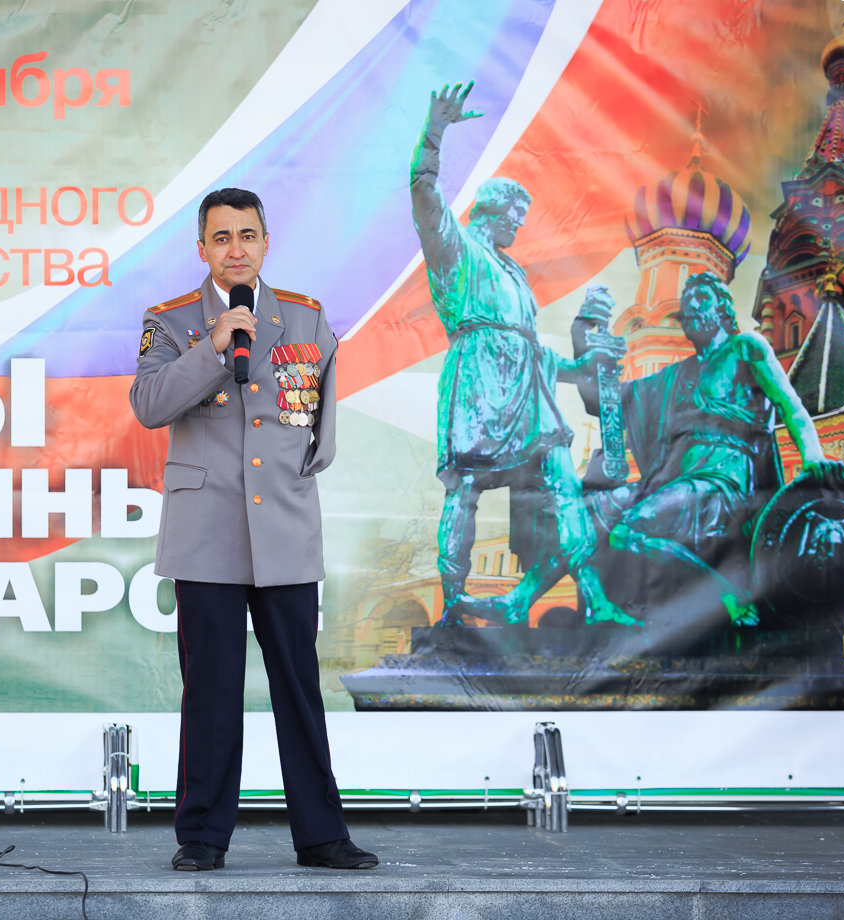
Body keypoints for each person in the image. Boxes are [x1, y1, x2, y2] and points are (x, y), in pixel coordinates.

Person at [130, 188, 376, 872]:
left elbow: (320, 413)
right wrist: (213, 347)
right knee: (211, 691)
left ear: (266, 243)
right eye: (221, 237)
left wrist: (306, 470)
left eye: (247, 235)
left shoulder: (304, 316)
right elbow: (149, 404)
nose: (235, 249)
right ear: (201, 249)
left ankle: (321, 835)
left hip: (284, 529)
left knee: (299, 686)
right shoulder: (171, 322)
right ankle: (203, 836)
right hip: (205, 531)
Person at [410, 81, 629, 627]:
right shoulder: (455, 248)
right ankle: (453, 606)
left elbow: (534, 353)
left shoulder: (515, 273)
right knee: (464, 490)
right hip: (477, 385)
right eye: (516, 213)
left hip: (526, 393)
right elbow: (423, 192)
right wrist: (434, 132)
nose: (520, 224)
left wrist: (579, 368)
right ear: (493, 209)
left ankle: (596, 599)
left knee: (564, 482)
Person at [583, 271, 844, 623]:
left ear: (723, 309)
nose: (692, 306)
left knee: (630, 529)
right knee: (592, 513)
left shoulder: (745, 348)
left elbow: (791, 406)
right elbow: (605, 400)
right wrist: (586, 340)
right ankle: (605, 611)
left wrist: (813, 457)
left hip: (724, 480)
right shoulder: (677, 374)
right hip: (677, 479)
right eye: (686, 303)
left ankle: (728, 594)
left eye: (702, 298)